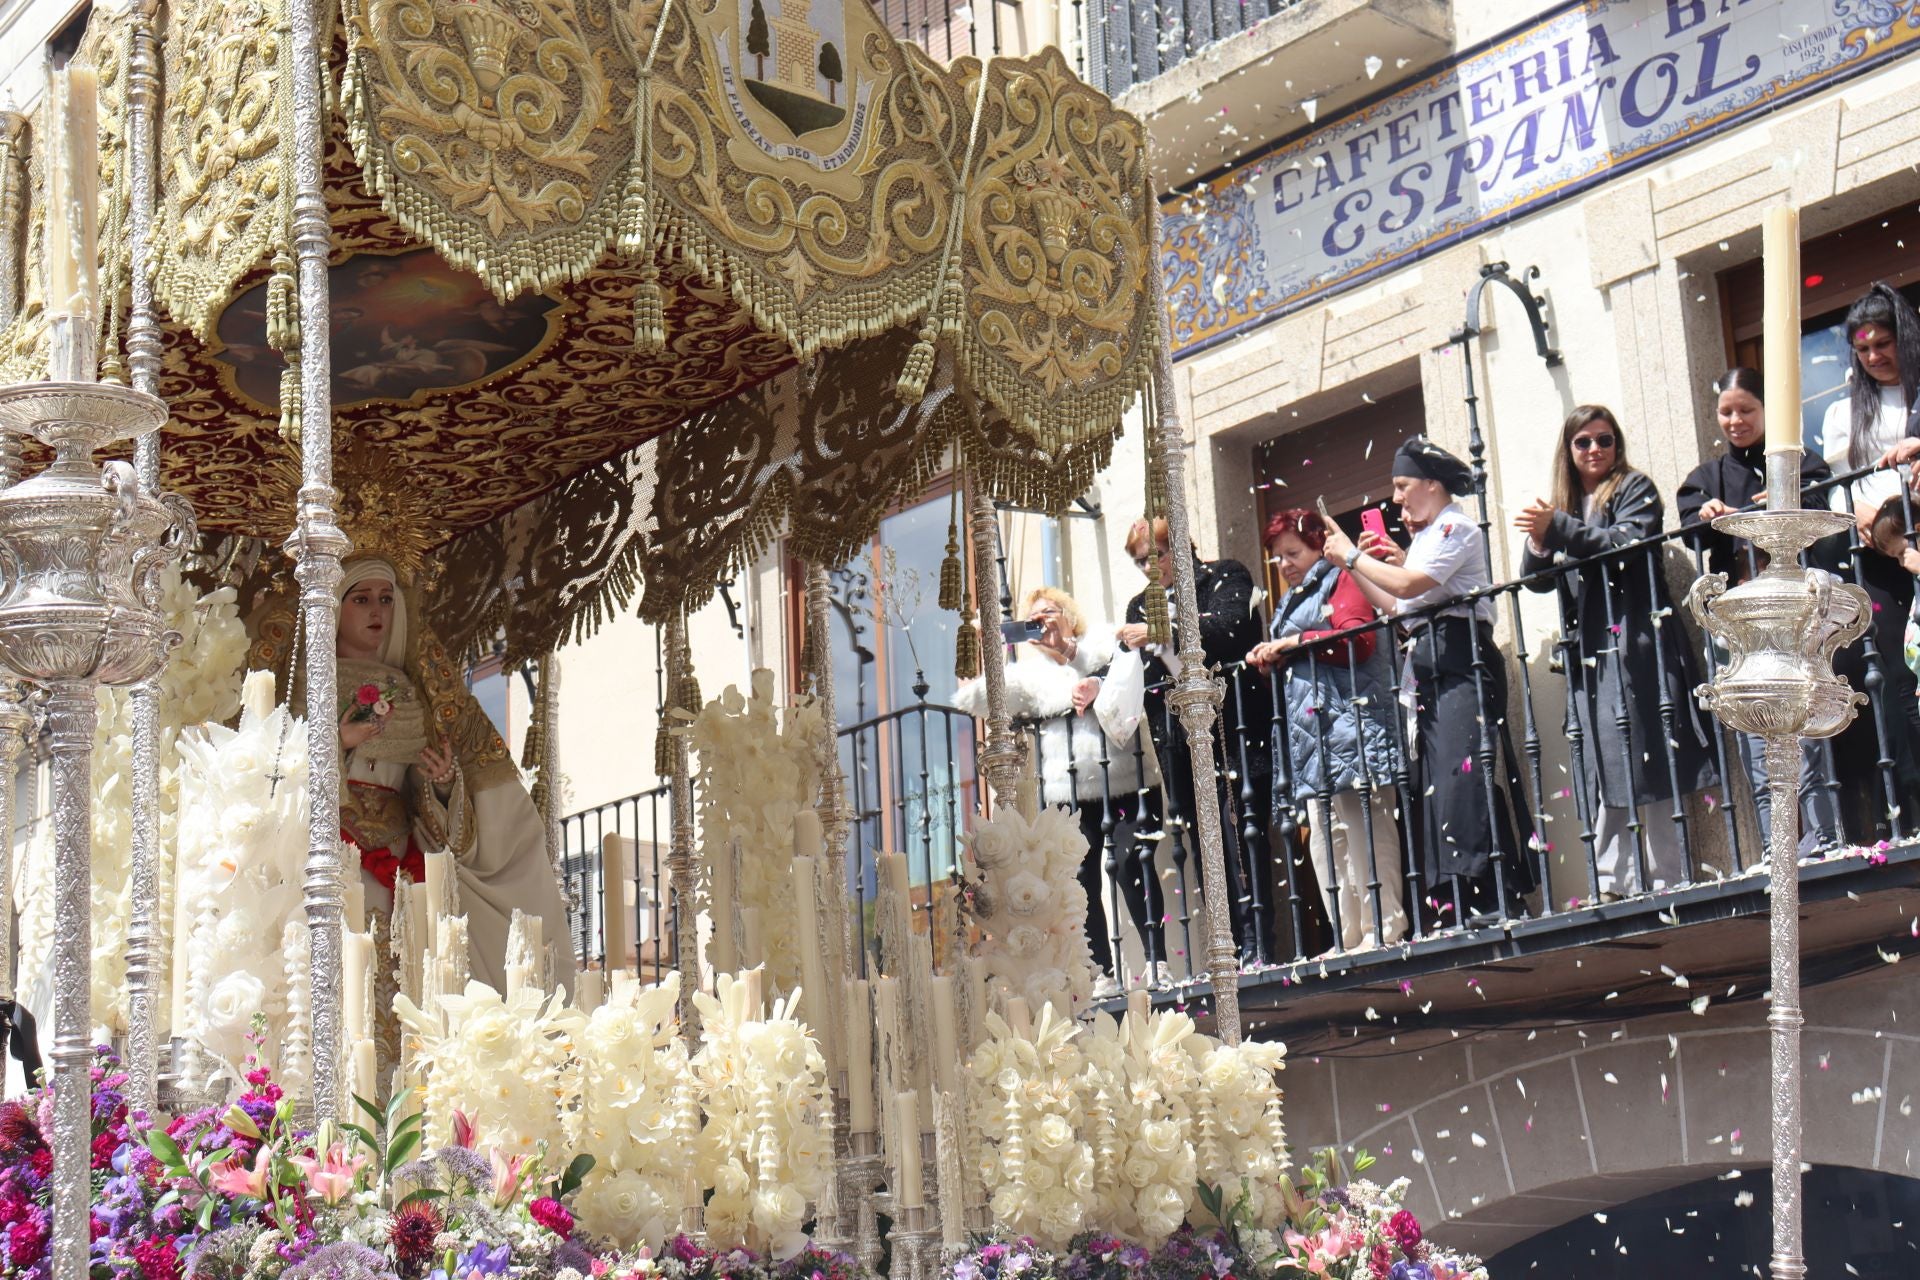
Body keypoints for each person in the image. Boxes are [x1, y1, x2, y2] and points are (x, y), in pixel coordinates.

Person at [1320, 437, 1534, 926]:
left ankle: (1495, 895)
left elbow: (1409, 586)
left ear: (1432, 485)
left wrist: (1355, 557)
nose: (1396, 499)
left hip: (1463, 659)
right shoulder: (1424, 539)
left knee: (1462, 782)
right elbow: (1396, 606)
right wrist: (1349, 565)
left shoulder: (1455, 526)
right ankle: (1460, 899)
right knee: (1437, 787)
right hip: (1430, 665)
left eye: (1401, 486)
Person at [335, 557, 573, 994]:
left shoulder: (412, 693)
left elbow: (419, 795)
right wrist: (340, 744)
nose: (376, 612)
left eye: (386, 600)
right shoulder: (309, 687)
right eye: (362, 599)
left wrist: (442, 784)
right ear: (335, 607)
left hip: (398, 858)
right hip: (336, 856)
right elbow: (284, 775)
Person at [1516, 406, 1718, 899]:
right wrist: (1541, 539)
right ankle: (1613, 881)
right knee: (1599, 760)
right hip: (1590, 649)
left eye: (1604, 440)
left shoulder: (1636, 489)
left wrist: (1557, 528)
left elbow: (1623, 544)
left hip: (1635, 642)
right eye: (1583, 442)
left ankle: (1670, 877)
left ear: (1617, 444)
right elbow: (1535, 580)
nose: (1594, 450)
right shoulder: (1564, 505)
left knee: (1651, 751)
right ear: (1569, 450)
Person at [953, 586, 1161, 992]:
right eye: (1035, 618)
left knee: (1135, 865)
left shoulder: (1099, 641)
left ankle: (1156, 963)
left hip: (1124, 780)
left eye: (1050, 612)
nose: (1043, 621)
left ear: (1070, 614)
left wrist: (1069, 652)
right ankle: (1099, 972)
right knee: (1080, 883)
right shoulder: (1029, 674)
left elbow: (1122, 664)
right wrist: (985, 646)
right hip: (1067, 795)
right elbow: (971, 699)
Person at [1678, 368, 1841, 854]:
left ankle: (1824, 834)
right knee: (1755, 731)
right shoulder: (1705, 478)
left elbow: (1821, 505)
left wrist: (1787, 504)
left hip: (1795, 616)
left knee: (1808, 724)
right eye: (1726, 412)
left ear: (1769, 410)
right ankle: (1778, 843)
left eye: (1746, 410)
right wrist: (1709, 516)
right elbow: (1691, 529)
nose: (1735, 420)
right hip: (1742, 626)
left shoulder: (1798, 462)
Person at [1247, 508, 1405, 953]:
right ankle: (1347, 934)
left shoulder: (1342, 577)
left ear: (1319, 545)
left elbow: (1359, 639)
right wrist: (1271, 658)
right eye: (1277, 558)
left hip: (1351, 726)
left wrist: (1294, 644)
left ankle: (1382, 929)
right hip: (1311, 736)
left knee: (1364, 828)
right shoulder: (1294, 599)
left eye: (1292, 553)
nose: (1284, 564)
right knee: (1325, 837)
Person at [1117, 517, 1273, 963]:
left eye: (1156, 557)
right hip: (1181, 741)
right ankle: (1230, 945)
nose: (1150, 570)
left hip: (1234, 729)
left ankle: (1260, 942)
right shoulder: (1139, 605)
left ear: (1180, 549)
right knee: (1207, 844)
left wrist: (1161, 633)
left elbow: (1230, 629)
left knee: (1243, 833)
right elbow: (1135, 670)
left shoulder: (1226, 575)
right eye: (1139, 562)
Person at [1820, 283, 1920, 527]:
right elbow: (1836, 483)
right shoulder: (1841, 413)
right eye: (1863, 349)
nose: (1873, 357)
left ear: (1904, 338)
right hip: (1877, 544)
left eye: (1883, 344)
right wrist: (1853, 509)